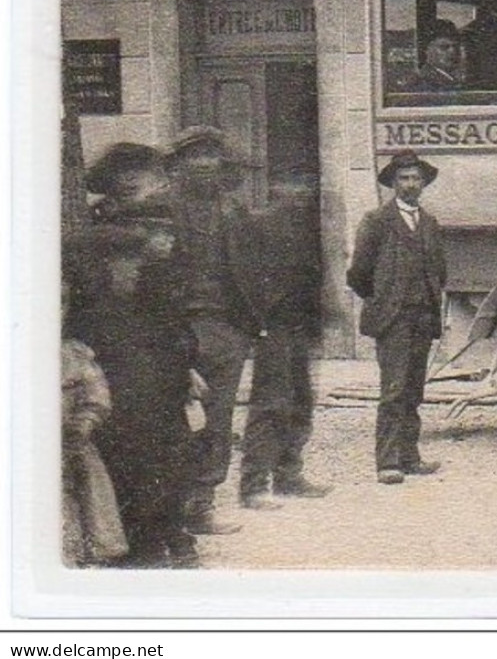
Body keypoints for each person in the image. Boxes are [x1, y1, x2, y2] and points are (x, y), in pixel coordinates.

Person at [65, 161, 199, 568]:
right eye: (147, 184)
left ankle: (166, 536)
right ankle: (151, 542)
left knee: (161, 458)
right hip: (126, 373)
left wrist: (184, 367)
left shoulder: (150, 254)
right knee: (140, 459)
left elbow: (172, 322)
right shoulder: (103, 247)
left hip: (155, 372)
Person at [166, 126, 254, 538]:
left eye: (211, 155)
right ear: (180, 164)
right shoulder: (163, 210)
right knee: (172, 418)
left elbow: (254, 271)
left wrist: (249, 327)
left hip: (224, 329)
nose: (204, 163)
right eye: (194, 155)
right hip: (175, 328)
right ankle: (166, 508)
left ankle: (202, 504)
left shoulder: (234, 210)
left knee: (217, 420)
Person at [346, 151, 448, 485]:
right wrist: (383, 301)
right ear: (393, 183)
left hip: (422, 317)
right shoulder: (377, 221)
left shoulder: (429, 223)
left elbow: (439, 271)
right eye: (403, 178)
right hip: (393, 319)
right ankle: (387, 462)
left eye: (416, 178)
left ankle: (410, 456)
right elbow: (358, 273)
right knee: (393, 390)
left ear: (423, 183)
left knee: (414, 390)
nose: (410, 184)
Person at [237, 178, 330, 510]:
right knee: (270, 403)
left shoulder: (305, 227)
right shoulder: (259, 224)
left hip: (298, 327)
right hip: (273, 327)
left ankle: (289, 475)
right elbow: (245, 276)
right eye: (294, 188)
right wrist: (258, 321)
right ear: (277, 191)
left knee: (300, 400)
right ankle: (253, 485)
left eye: (304, 191)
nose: (301, 195)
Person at [61, 327, 126, 566]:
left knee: (90, 493)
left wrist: (85, 422)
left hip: (72, 441)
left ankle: (94, 553)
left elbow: (96, 396)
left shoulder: (73, 353)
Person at [407, 21, 466, 93]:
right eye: (444, 47)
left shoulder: (455, 78)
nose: (452, 52)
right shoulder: (423, 83)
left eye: (456, 47)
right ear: (427, 50)